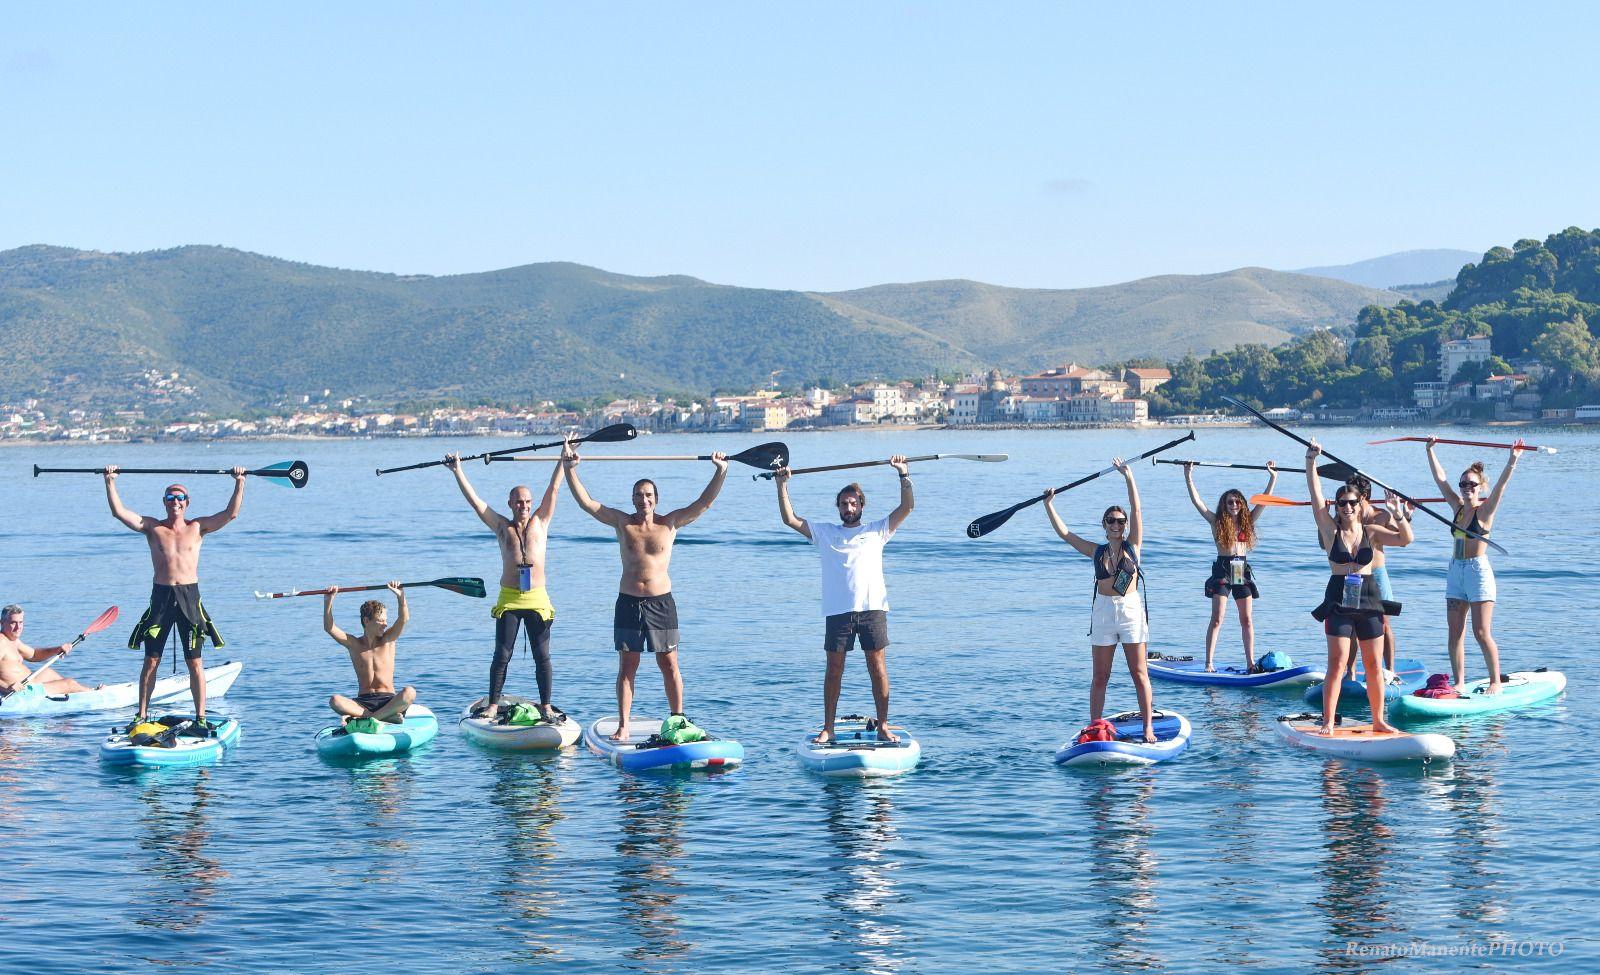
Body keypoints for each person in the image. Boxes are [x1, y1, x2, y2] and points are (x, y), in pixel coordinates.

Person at [563, 439, 728, 742]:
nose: (644, 499)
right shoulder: (622, 523)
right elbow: (587, 503)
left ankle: (678, 720)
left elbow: (703, 504)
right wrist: (570, 469)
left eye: (648, 495)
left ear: (656, 499)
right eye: (639, 495)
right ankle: (623, 725)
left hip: (661, 603)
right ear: (633, 498)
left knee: (669, 663)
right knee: (628, 666)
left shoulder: (670, 523)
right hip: (628, 602)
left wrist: (720, 471)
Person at [774, 456, 914, 744]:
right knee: (834, 669)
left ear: (862, 505)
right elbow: (789, 519)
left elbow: (907, 506)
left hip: (872, 609)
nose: (848, 508)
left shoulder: (878, 530)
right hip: (838, 611)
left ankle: (884, 726)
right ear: (838, 508)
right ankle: (828, 728)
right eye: (843, 504)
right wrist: (782, 485)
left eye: (853, 503)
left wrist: (903, 474)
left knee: (877, 667)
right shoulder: (826, 533)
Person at [106, 468, 243, 728]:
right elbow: (119, 512)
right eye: (170, 498)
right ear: (164, 502)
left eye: (180, 498)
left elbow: (230, 514)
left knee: (195, 662)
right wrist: (110, 481)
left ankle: (200, 718)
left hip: (190, 598)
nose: (175, 502)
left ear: (187, 502)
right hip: (161, 597)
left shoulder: (198, 527)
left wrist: (239, 482)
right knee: (151, 660)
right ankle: (142, 715)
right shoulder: (152, 527)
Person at [445, 451, 564, 722]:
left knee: (542, 655)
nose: (523, 506)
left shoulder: (541, 522)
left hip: (537, 599)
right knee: (502, 654)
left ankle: (546, 707)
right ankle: (493, 705)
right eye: (519, 502)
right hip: (510, 598)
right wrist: (458, 471)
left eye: (527, 502)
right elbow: (477, 503)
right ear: (510, 503)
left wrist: (562, 459)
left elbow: (554, 488)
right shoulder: (501, 526)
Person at [1043, 458, 1155, 743]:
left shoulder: (1134, 545)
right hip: (1103, 612)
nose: (1117, 524)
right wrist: (1049, 505)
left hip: (1130, 611)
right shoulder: (1096, 551)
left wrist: (1128, 478)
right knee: (1100, 676)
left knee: (1139, 673)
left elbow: (1138, 509)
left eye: (1121, 521)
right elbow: (1065, 534)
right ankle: (1094, 728)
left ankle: (1147, 728)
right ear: (1104, 525)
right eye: (1111, 521)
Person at [1306, 442, 1412, 734]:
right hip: (1338, 601)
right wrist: (1311, 461)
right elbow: (1315, 498)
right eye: (1342, 503)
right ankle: (1328, 722)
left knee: (1374, 666)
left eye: (1353, 503)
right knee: (1337, 665)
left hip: (1368, 599)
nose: (1348, 507)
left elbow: (1406, 539)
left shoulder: (1372, 531)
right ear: (1336, 507)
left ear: (1359, 504)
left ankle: (1379, 720)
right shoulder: (1330, 532)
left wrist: (1398, 513)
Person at [1425, 437, 1520, 694]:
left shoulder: (1485, 511)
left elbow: (1500, 487)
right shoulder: (1457, 508)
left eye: (1472, 484)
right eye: (1463, 484)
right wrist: (1430, 451)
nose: (1467, 487)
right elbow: (1441, 481)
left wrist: (1512, 460)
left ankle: (1494, 682)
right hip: (1455, 571)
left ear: (1480, 487)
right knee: (1454, 632)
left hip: (1478, 572)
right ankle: (1459, 681)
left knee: (1480, 632)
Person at [1181, 461, 1276, 672]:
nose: (1233, 505)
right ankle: (1208, 663)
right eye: (1229, 502)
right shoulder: (1216, 523)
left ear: (1241, 504)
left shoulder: (1247, 521)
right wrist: (1188, 476)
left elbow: (1265, 501)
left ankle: (1250, 663)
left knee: (1247, 620)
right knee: (1217, 619)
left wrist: (1273, 477)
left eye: (1236, 502)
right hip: (1223, 569)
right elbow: (1198, 503)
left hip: (1241, 568)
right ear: (1224, 505)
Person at [323, 582, 416, 728]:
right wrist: (329, 601)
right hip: (363, 703)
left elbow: (403, 619)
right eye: (381, 621)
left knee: (409, 692)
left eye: (386, 621)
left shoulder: (388, 639)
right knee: (334, 700)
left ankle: (369, 719)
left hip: (388, 701)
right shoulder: (354, 644)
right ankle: (381, 717)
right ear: (367, 621)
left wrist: (400, 596)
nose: (385, 624)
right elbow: (329, 628)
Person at [1345, 474, 1411, 671]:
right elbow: (1328, 540)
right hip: (1354, 577)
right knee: (1352, 628)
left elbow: (1403, 538)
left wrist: (1404, 515)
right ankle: (1351, 673)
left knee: (1383, 624)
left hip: (1377, 574)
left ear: (1364, 495)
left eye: (1352, 492)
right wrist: (1330, 510)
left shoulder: (1381, 516)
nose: (1348, 498)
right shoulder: (1347, 514)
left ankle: (1390, 671)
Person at [0, 605, 100, 697]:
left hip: (28, 684)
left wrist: (56, 650)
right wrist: (6, 688)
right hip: (17, 693)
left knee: (48, 672)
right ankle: (93, 693)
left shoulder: (13, 641)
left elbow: (34, 655)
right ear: (2, 623)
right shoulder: (1, 642)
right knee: (69, 683)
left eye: (20, 622)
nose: (18, 627)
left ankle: (78, 692)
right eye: (13, 623)